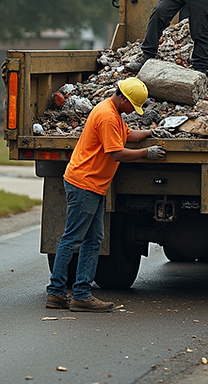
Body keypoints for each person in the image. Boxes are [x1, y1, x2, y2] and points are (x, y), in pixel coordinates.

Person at [46, 78, 166, 312]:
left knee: (93, 240)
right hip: (85, 184)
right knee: (73, 240)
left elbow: (126, 135)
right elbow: (117, 153)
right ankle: (59, 292)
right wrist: (146, 153)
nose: (133, 111)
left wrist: (151, 132)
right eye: (132, 106)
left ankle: (79, 293)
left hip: (92, 185)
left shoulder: (111, 111)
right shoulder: (108, 115)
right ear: (122, 98)